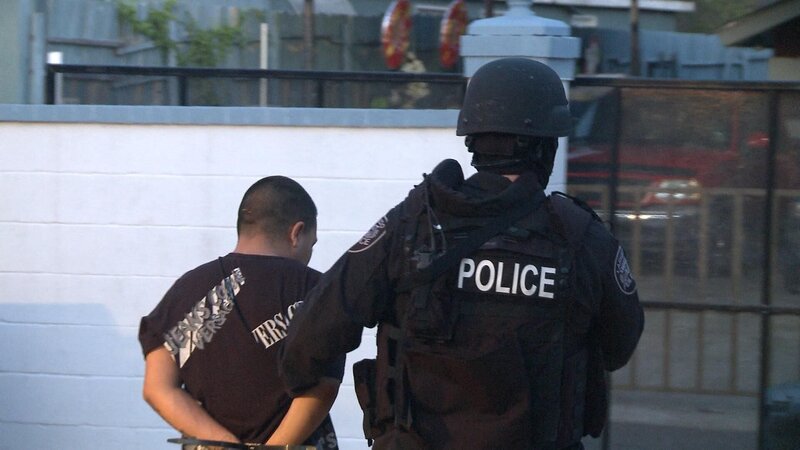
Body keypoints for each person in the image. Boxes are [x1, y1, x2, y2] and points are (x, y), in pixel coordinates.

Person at [280, 58, 644, 450]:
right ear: (544, 145)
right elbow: (618, 346)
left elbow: (311, 335)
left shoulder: (411, 225)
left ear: (472, 139)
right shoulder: (581, 237)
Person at [139, 176, 342, 449]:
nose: (309, 254)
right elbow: (323, 386)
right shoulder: (317, 290)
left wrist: (224, 443)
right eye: (311, 244)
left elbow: (158, 387)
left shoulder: (187, 289)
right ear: (297, 233)